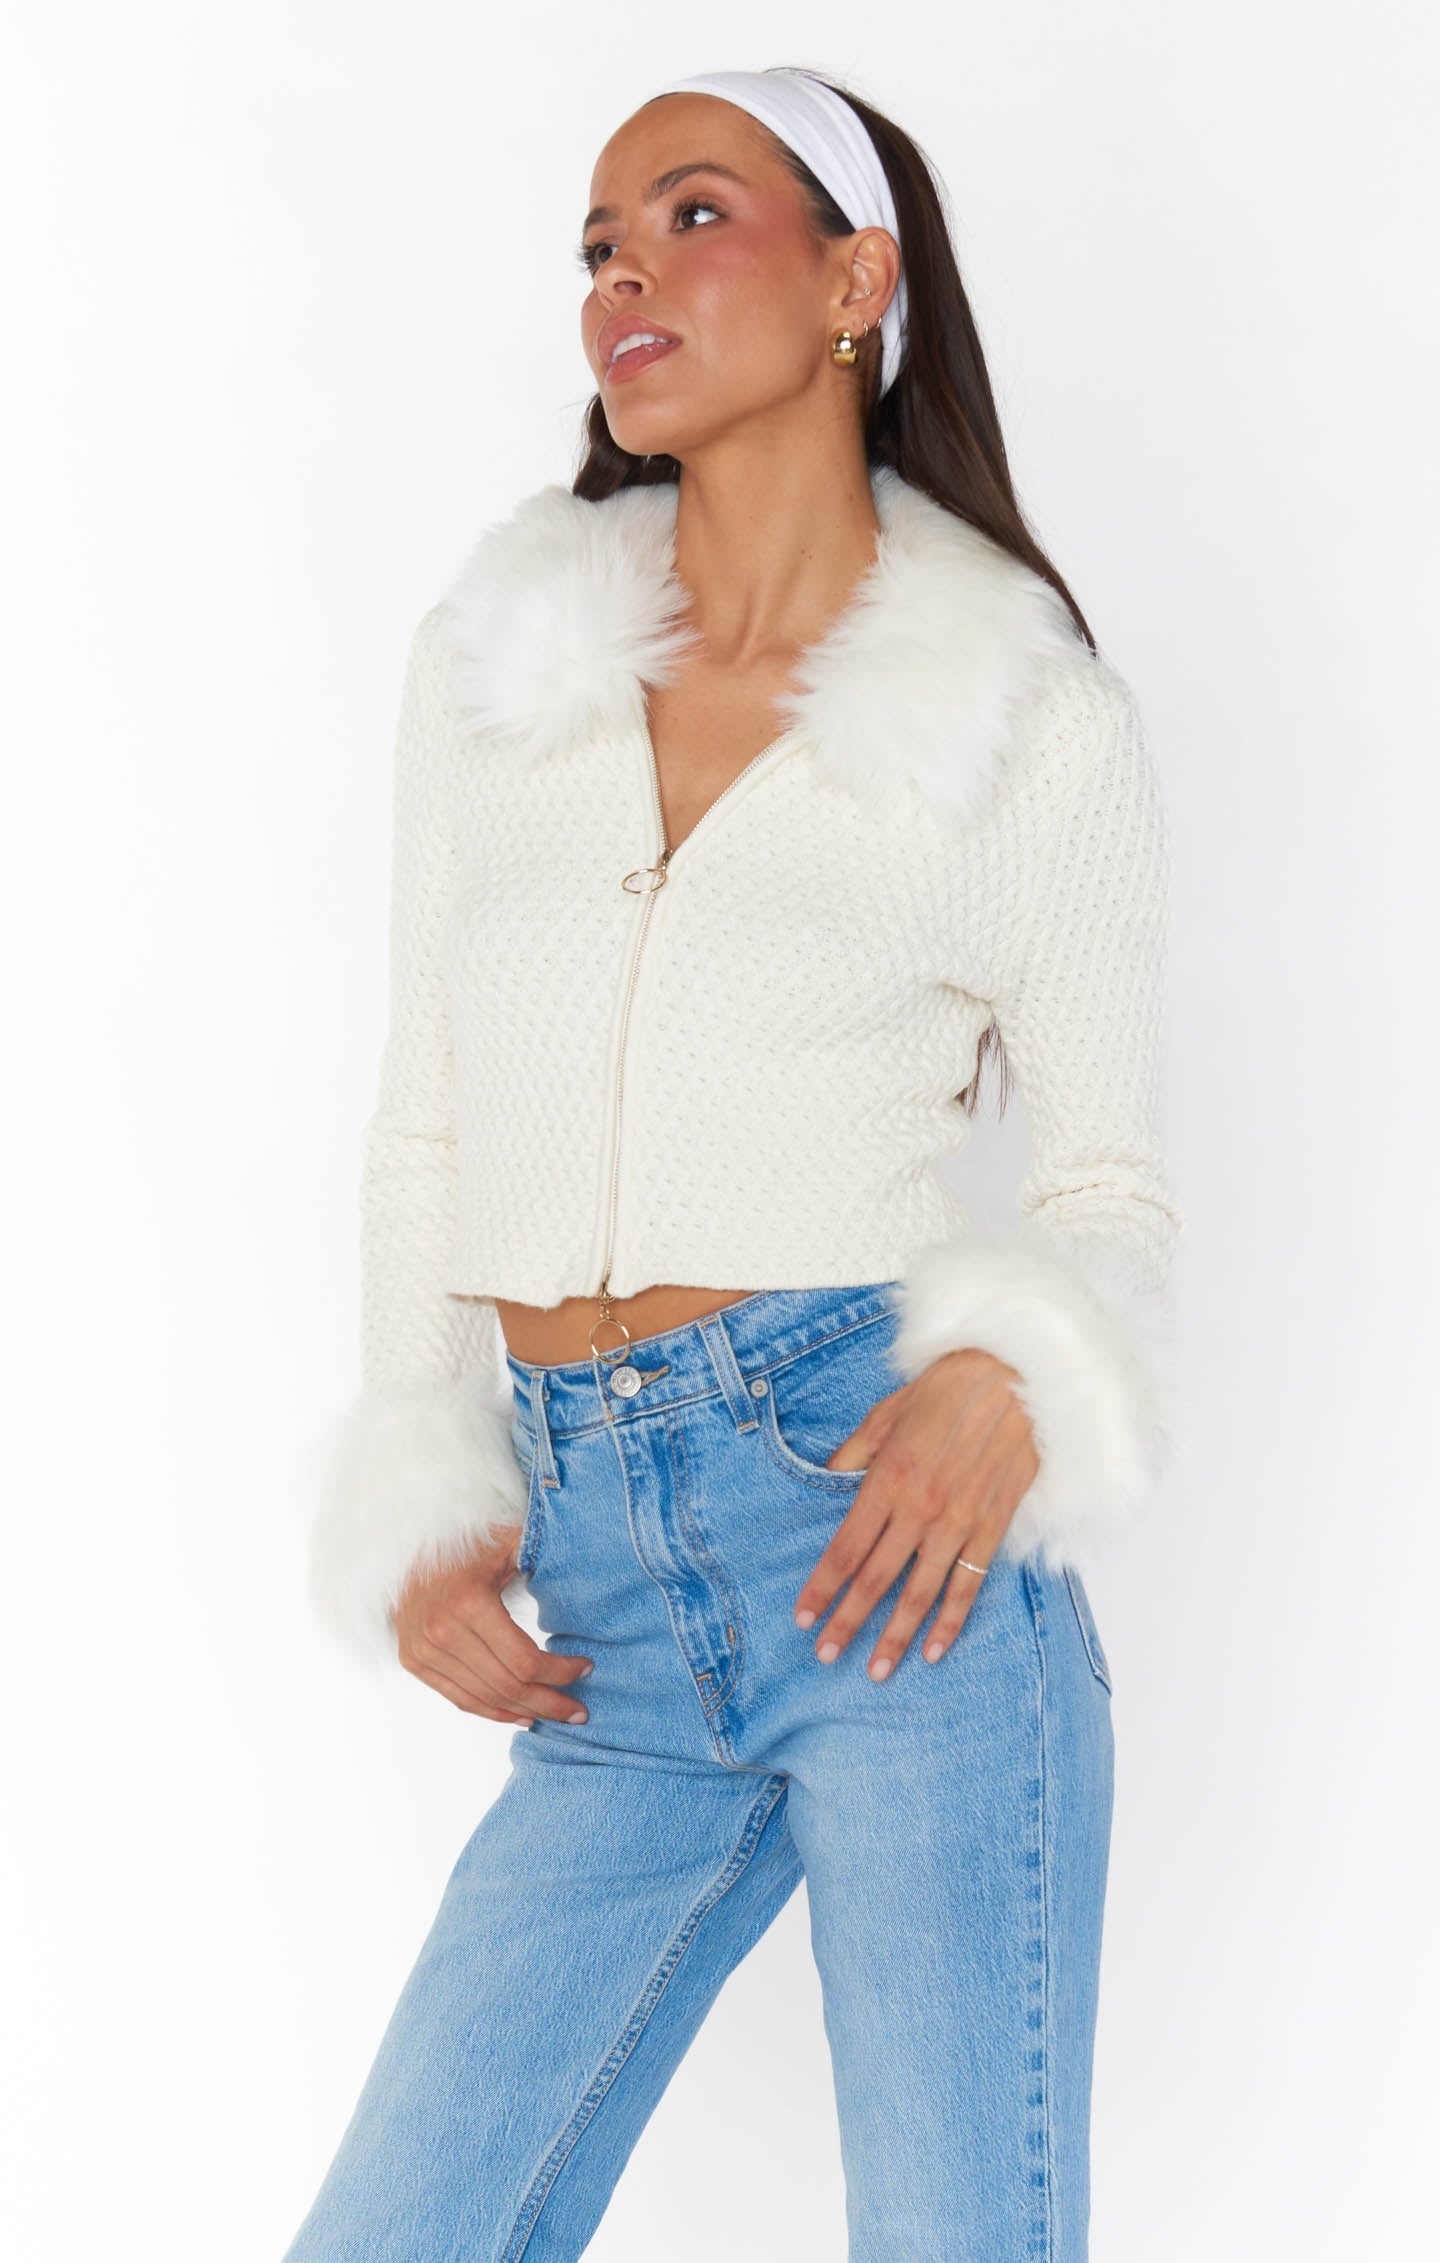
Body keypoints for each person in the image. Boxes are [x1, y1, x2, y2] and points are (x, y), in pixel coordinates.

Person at [286, 63, 1184, 2263]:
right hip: (600, 1592)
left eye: (692, 216)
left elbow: (1111, 1187)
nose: (625, 277)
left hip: (885, 1554)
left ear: (859, 279)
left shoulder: (1027, 719)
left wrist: (1010, 1379)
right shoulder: (498, 668)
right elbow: (426, 1109)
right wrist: (428, 1473)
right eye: (598, 245)